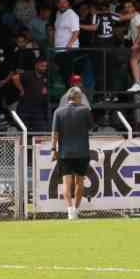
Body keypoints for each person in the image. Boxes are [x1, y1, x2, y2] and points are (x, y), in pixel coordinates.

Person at [51, 86, 91, 221]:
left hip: (65, 152)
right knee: (80, 182)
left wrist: (53, 150)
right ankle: (77, 209)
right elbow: (91, 127)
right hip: (82, 152)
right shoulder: (85, 111)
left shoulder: (58, 112)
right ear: (78, 98)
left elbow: (55, 133)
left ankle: (70, 211)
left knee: (66, 183)